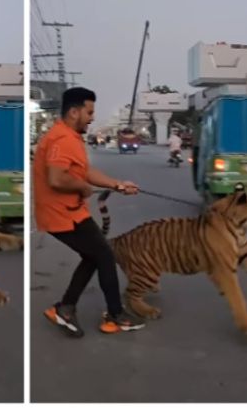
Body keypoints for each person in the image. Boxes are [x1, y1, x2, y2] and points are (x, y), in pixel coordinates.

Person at [32, 87, 146, 338]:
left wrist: (117, 184)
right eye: (89, 112)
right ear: (74, 112)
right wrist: (83, 188)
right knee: (104, 255)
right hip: (61, 214)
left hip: (72, 212)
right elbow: (57, 178)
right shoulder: (62, 139)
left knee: (95, 256)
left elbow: (84, 172)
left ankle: (65, 308)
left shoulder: (70, 137)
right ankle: (116, 315)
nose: (92, 117)